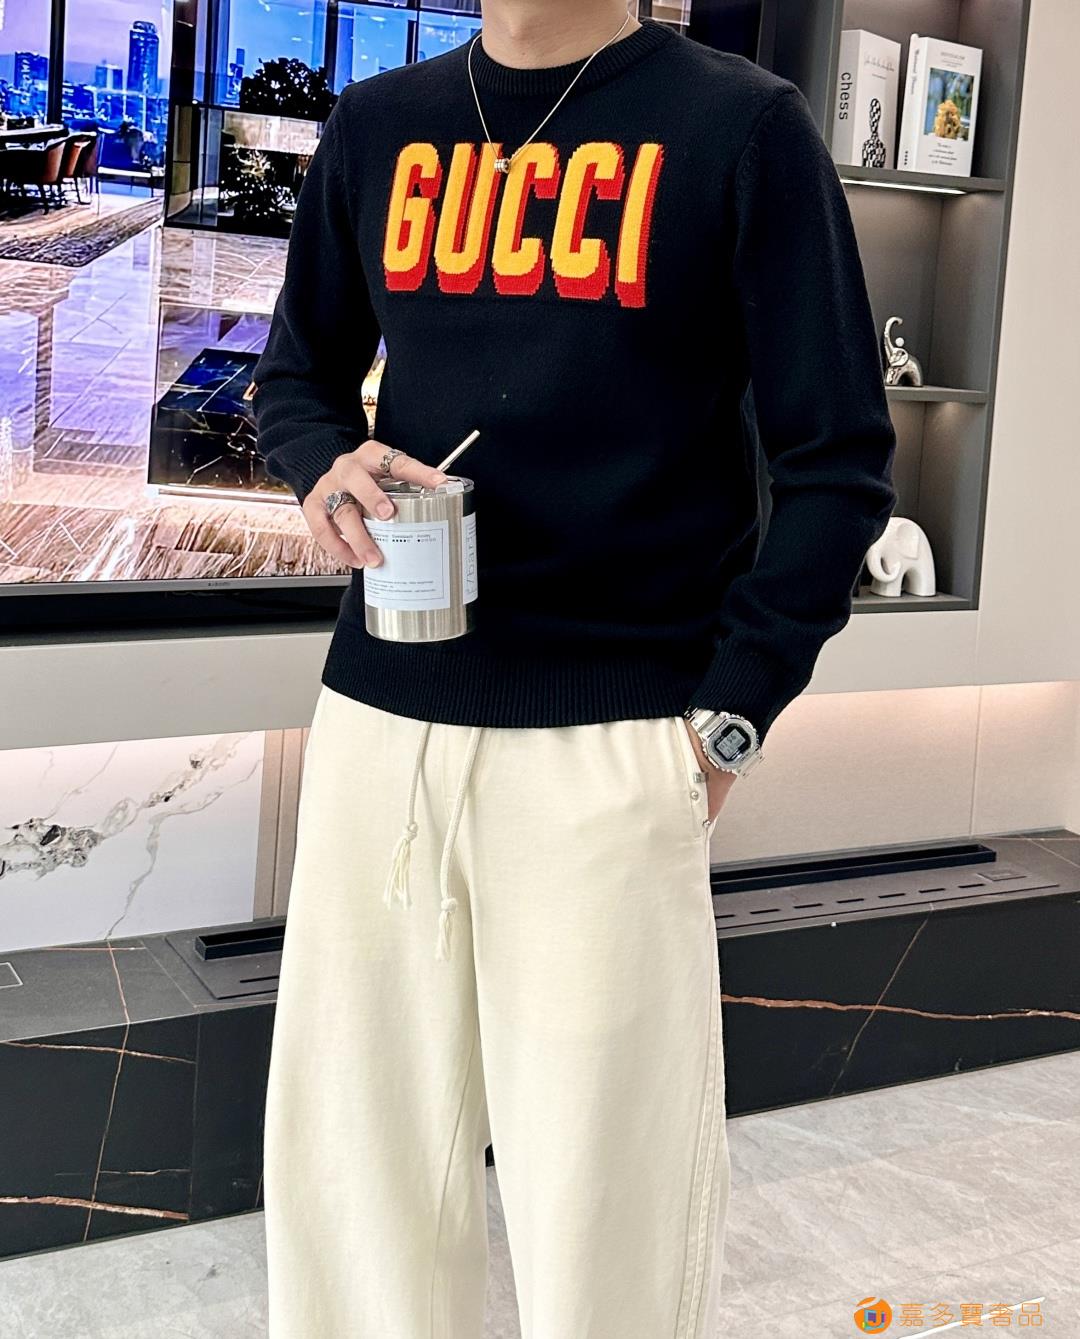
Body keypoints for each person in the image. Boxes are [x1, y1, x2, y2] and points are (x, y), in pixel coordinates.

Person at [251, 2, 897, 1336]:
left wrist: (727, 722)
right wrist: (322, 461)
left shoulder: (740, 128)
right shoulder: (380, 126)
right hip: (382, 715)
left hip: (617, 735)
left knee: (608, 1199)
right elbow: (295, 375)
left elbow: (839, 464)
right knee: (353, 1172)